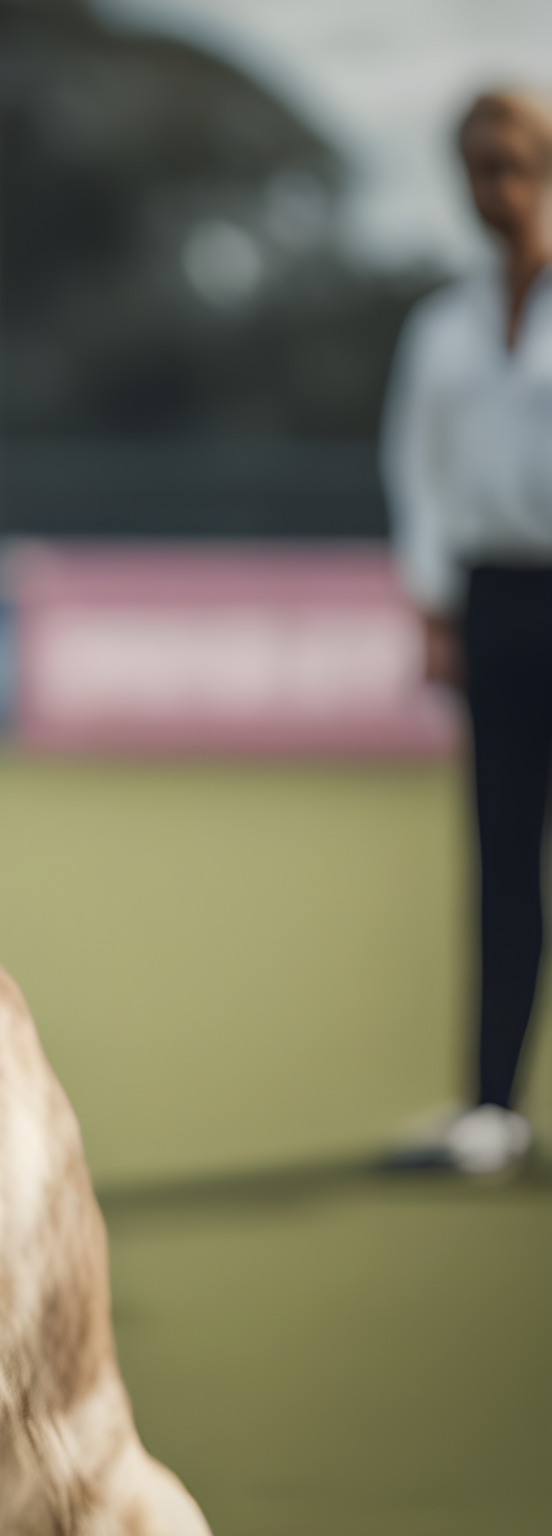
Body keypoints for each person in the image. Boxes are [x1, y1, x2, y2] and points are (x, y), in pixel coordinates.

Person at [385, 87, 552, 1174]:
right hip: (494, 603)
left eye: (512, 164)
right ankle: (492, 1106)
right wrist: (436, 604)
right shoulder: (442, 325)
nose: (494, 188)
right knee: (503, 859)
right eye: (477, 167)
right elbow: (417, 471)